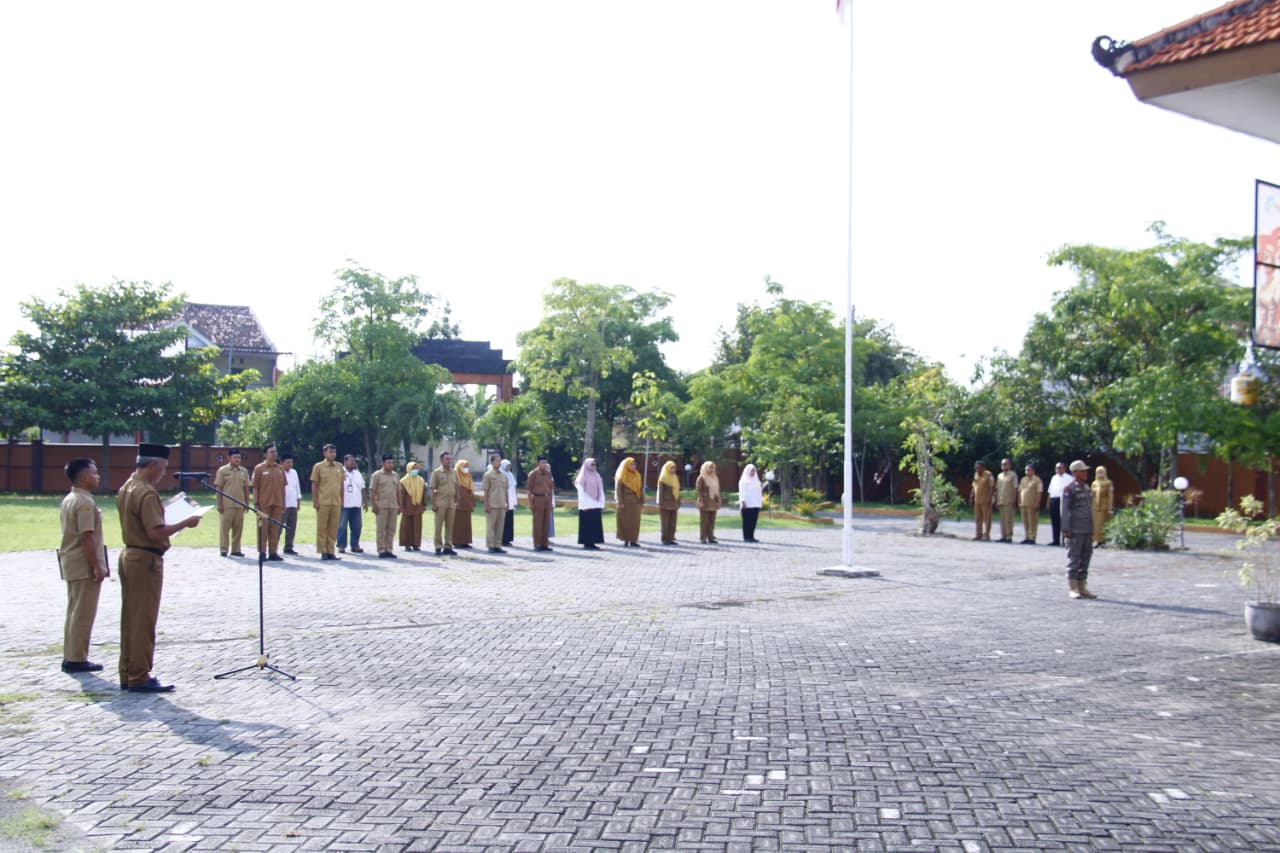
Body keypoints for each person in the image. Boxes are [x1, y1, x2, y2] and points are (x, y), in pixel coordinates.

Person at [116, 443, 200, 692]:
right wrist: (186, 521)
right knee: (143, 619)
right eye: (163, 468)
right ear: (153, 465)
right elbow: (155, 532)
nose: (163, 473)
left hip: (130, 555)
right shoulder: (146, 491)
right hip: (145, 559)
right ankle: (140, 675)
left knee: (130, 618)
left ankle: (128, 671)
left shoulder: (127, 486)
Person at [57, 458, 108, 674]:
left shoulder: (71, 498)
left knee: (74, 611)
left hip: (71, 561)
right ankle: (77, 658)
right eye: (95, 473)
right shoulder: (85, 502)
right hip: (83, 563)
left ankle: (71, 655)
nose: (98, 477)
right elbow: (86, 536)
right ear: (85, 476)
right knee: (83, 613)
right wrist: (96, 566)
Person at [1062, 460, 1098, 599]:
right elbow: (1065, 510)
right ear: (1075, 472)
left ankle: (1082, 586)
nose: (1085, 473)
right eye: (1082, 471)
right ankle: (1073, 587)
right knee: (1074, 559)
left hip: (1087, 528)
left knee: (1085, 557)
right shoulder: (1069, 489)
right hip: (1075, 529)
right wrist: (1066, 529)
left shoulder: (1086, 487)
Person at [251, 443, 286, 562]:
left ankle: (273, 552)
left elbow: (283, 487)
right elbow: (255, 487)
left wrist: (283, 503)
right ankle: (262, 552)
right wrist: (256, 504)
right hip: (263, 504)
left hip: (277, 503)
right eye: (271, 452)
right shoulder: (259, 468)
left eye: (275, 451)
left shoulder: (280, 468)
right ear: (265, 454)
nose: (274, 454)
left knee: (275, 529)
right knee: (262, 529)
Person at [214, 448, 251, 557]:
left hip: (240, 504)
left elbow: (246, 488)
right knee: (225, 528)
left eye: (239, 457)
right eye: (235, 457)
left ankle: (236, 550)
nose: (237, 460)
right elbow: (218, 488)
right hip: (227, 505)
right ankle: (224, 549)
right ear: (229, 458)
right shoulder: (222, 470)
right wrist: (219, 503)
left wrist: (247, 503)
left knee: (238, 529)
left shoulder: (244, 471)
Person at [311, 444, 344, 561]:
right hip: (323, 501)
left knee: (333, 528)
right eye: (330, 452)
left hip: (336, 502)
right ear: (324, 453)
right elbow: (314, 484)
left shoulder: (339, 466)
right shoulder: (318, 467)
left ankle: (331, 551)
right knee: (322, 527)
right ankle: (323, 551)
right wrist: (315, 500)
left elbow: (341, 485)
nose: (333, 454)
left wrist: (342, 500)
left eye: (334, 452)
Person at [369, 454, 402, 559]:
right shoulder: (377, 475)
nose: (391, 465)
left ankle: (389, 549)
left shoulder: (395, 475)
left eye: (392, 462)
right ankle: (381, 549)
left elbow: (399, 491)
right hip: (381, 505)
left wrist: (400, 505)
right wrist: (374, 505)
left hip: (393, 505)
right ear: (383, 463)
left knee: (391, 529)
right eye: (388, 462)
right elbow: (372, 491)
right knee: (381, 529)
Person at [336, 454, 367, 554]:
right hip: (344, 504)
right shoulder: (340, 472)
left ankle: (355, 545)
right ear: (345, 462)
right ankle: (341, 545)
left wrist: (365, 501)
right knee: (342, 526)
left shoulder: (357, 473)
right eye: (351, 461)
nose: (353, 462)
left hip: (356, 504)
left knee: (357, 526)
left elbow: (362, 488)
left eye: (354, 461)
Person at [429, 452, 458, 556]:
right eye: (447, 459)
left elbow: (456, 486)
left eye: (450, 459)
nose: (449, 461)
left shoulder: (454, 472)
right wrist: (433, 504)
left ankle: (448, 546)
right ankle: (438, 546)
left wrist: (457, 499)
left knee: (450, 526)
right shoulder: (436, 473)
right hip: (440, 503)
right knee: (438, 526)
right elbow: (432, 489)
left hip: (451, 503)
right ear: (441, 460)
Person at [575, 458, 605, 550]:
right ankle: (586, 542)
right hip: (586, 504)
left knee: (595, 524)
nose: (594, 466)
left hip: (595, 504)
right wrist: (583, 505)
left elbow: (601, 490)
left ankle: (593, 542)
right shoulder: (582, 476)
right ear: (587, 465)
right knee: (587, 524)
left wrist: (601, 503)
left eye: (595, 464)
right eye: (592, 464)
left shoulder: (597, 475)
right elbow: (580, 493)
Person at [527, 455, 556, 551]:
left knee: (546, 522)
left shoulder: (548, 474)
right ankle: (537, 544)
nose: (544, 464)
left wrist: (551, 502)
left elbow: (551, 488)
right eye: (542, 462)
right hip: (537, 499)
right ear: (538, 463)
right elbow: (529, 490)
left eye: (545, 462)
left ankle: (545, 544)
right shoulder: (533, 474)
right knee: (538, 523)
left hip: (547, 499)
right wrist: (530, 503)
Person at [614, 456, 644, 547]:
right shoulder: (622, 475)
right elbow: (618, 490)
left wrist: (642, 502)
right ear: (626, 465)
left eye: (634, 464)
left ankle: (633, 540)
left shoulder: (637, 475)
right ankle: (626, 540)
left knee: (635, 522)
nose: (633, 466)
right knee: (625, 521)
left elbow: (640, 489)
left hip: (636, 502)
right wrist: (620, 502)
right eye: (631, 464)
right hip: (625, 502)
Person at [482, 453, 508, 553]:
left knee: (500, 526)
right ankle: (490, 545)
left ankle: (498, 545)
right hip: (492, 504)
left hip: (501, 504)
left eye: (500, 460)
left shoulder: (503, 476)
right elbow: (486, 490)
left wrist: (507, 503)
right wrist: (486, 504)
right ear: (492, 462)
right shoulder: (488, 475)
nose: (499, 462)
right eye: (497, 460)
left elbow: (506, 490)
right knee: (491, 526)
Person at [398, 462, 427, 551]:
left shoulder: (421, 480)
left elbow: (423, 494)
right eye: (413, 468)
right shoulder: (403, 481)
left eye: (416, 468)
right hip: (407, 506)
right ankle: (407, 544)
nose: (415, 470)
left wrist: (424, 504)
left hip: (418, 506)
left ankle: (416, 544)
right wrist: (401, 507)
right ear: (408, 469)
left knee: (417, 526)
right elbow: (401, 495)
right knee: (406, 526)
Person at [696, 460, 722, 544]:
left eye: (713, 467)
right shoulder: (702, 477)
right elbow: (699, 490)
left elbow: (717, 491)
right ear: (706, 467)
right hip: (705, 501)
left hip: (713, 502)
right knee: (704, 521)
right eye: (710, 467)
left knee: (712, 521)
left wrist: (718, 501)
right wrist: (701, 500)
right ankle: (703, 538)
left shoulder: (715, 477)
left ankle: (711, 537)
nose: (712, 469)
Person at [1047, 461, 1072, 547]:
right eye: (1057, 468)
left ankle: (1064, 540)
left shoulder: (1069, 478)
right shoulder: (1054, 478)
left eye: (1060, 468)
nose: (1058, 469)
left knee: (1064, 521)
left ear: (1064, 468)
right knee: (1055, 521)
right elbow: (1050, 491)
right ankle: (1055, 540)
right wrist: (1048, 502)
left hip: (1063, 500)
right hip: (1054, 499)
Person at [280, 453, 301, 556]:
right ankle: (273, 547)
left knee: (292, 526)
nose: (290, 464)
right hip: (282, 504)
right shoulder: (279, 472)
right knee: (278, 526)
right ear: (282, 463)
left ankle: (289, 546)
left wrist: (298, 500)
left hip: (293, 503)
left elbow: (297, 487)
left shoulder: (294, 472)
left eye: (291, 462)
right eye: (287, 462)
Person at [452, 459, 475, 549]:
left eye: (467, 467)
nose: (466, 469)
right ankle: (456, 541)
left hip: (467, 502)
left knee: (466, 523)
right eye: (464, 467)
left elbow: (471, 489)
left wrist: (472, 501)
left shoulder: (468, 476)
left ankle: (465, 541)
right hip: (458, 503)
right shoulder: (454, 475)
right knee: (457, 523)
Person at [657, 460, 681, 545]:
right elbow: (660, 492)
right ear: (667, 468)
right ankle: (664, 539)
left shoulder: (675, 477)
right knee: (665, 522)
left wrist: (679, 501)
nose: (673, 470)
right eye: (671, 468)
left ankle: (671, 538)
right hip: (665, 503)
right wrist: (660, 503)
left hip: (674, 503)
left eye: (674, 468)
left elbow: (678, 490)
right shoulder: (663, 478)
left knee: (672, 522)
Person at [995, 457, 1019, 543]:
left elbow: (1015, 488)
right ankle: (1003, 536)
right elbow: (997, 488)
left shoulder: (1013, 475)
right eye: (1002, 464)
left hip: (1009, 501)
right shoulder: (999, 476)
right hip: (1001, 500)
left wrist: (1014, 500)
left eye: (1005, 464)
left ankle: (1009, 536)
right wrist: (996, 500)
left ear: (1009, 465)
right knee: (1002, 520)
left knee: (1009, 519)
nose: (1003, 466)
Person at [1018, 463, 1042, 545]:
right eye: (1026, 470)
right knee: (1025, 522)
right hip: (1023, 504)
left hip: (1032, 504)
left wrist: (1037, 503)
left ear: (1033, 471)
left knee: (1033, 522)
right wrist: (1019, 501)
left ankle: (1032, 538)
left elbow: (1039, 492)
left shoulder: (1037, 480)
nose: (1027, 471)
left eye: (1029, 470)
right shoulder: (1023, 479)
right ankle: (1027, 537)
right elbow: (1020, 491)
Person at [738, 463, 764, 543]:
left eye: (754, 471)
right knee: (747, 521)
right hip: (747, 504)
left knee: (753, 521)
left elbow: (759, 493)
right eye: (751, 471)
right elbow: (742, 492)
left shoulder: (756, 481)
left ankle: (751, 536)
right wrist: (743, 501)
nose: (752, 473)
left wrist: (760, 503)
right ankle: (746, 537)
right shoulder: (744, 481)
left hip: (755, 504)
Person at [970, 462, 994, 541]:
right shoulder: (976, 474)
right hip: (977, 500)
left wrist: (990, 498)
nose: (977, 469)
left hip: (986, 500)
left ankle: (986, 535)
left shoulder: (988, 474)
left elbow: (991, 487)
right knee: (978, 519)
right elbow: (974, 485)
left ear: (983, 467)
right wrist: (971, 495)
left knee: (987, 519)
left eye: (979, 468)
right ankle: (978, 534)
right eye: (976, 468)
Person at [1092, 465, 1115, 547]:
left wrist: (1110, 508)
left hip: (1104, 506)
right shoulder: (1094, 483)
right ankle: (1096, 540)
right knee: (1096, 524)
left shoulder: (1108, 483)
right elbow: (1092, 495)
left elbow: (1110, 495)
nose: (1100, 474)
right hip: (1095, 507)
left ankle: (1103, 541)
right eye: (1098, 472)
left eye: (1101, 472)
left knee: (1103, 524)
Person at [500, 459, 517, 546]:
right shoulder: (501, 474)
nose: (508, 467)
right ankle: (503, 539)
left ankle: (508, 538)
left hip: (511, 500)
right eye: (507, 466)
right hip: (504, 500)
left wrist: (514, 502)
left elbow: (513, 489)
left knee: (510, 520)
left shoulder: (510, 475)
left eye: (509, 466)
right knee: (504, 520)